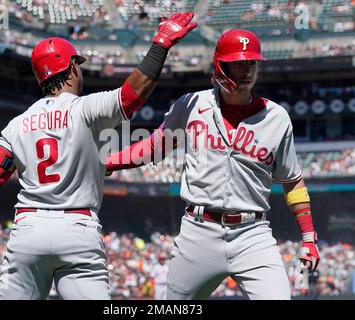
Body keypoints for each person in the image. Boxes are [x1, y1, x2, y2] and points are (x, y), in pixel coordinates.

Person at [0, 12, 197, 300]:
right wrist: (160, 45)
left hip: (29, 229)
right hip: (78, 228)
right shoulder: (85, 109)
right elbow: (132, 94)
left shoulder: (17, 124)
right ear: (72, 67)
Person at [106, 29, 320, 300]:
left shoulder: (277, 117)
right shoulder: (192, 104)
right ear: (221, 66)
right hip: (198, 231)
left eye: (252, 63)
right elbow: (155, 146)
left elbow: (292, 182)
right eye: (239, 63)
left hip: (252, 233)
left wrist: (309, 236)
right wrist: (110, 162)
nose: (248, 71)